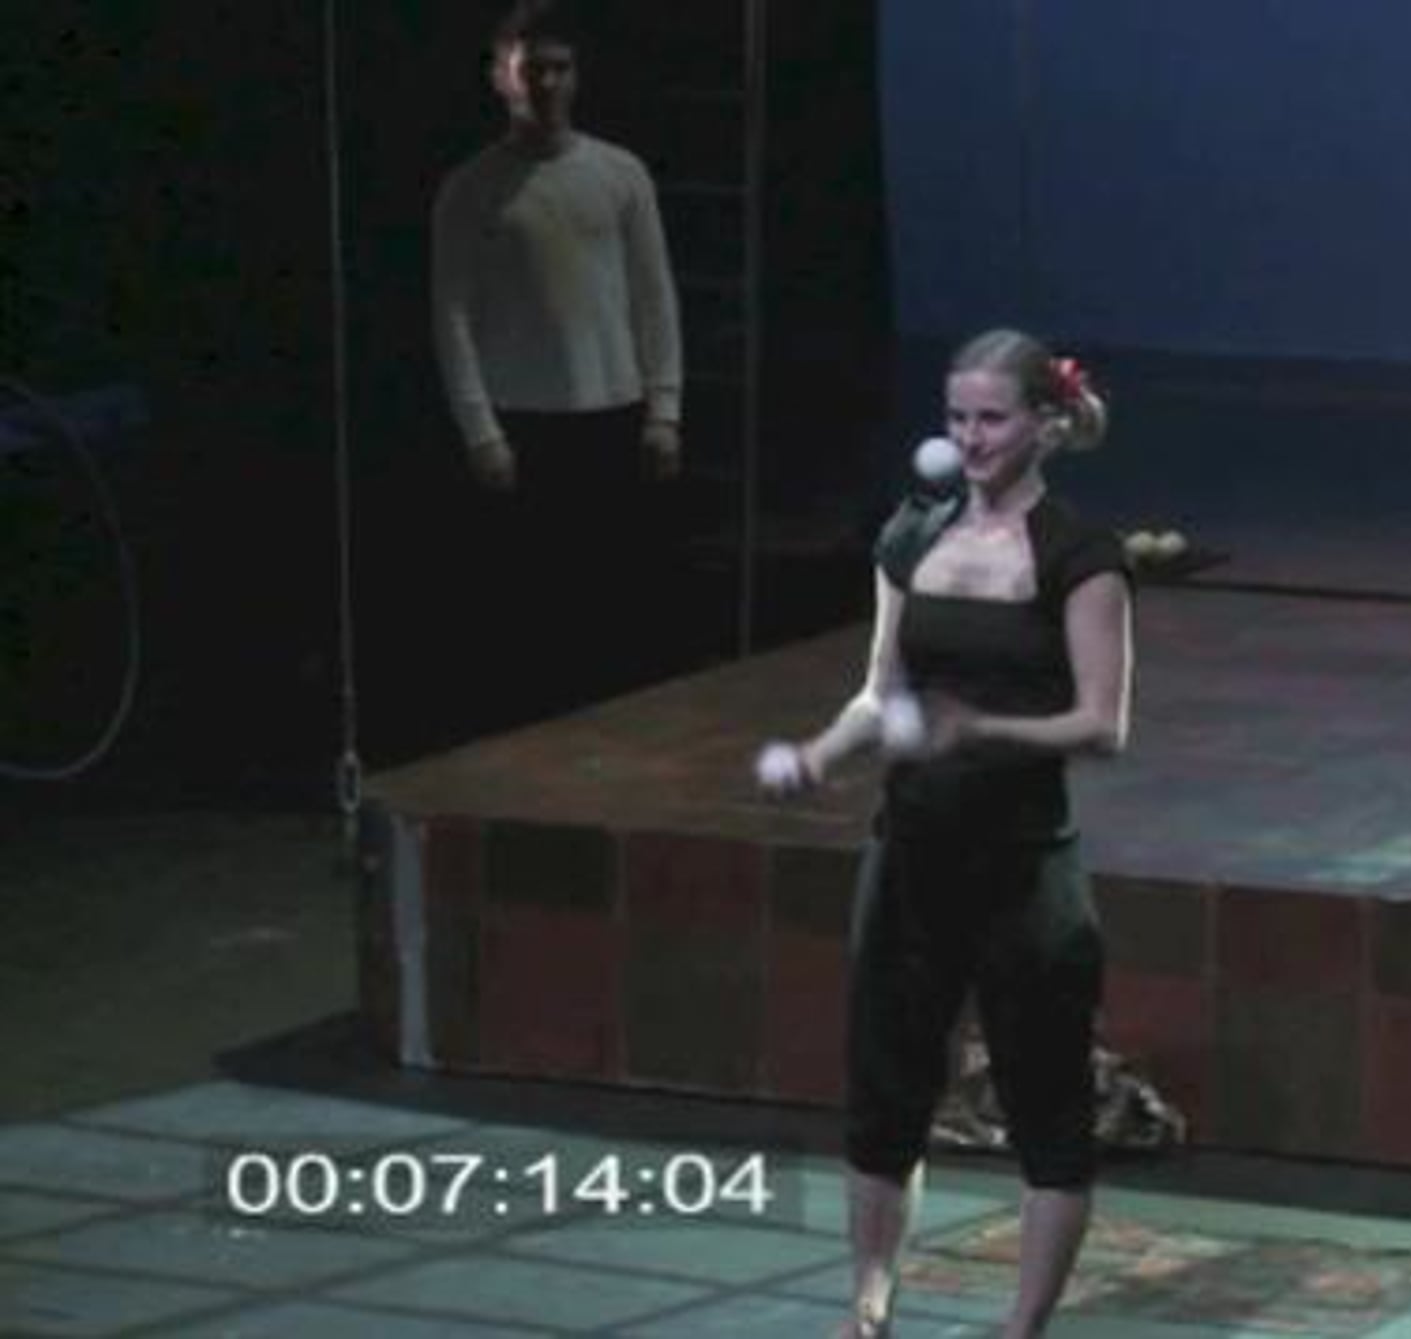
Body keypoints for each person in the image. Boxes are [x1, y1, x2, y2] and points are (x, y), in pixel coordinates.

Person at [758, 329, 1133, 1339]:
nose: (969, 438)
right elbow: (881, 692)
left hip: (1024, 867)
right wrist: (819, 755)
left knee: (1047, 1107)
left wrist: (985, 728)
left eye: (991, 419)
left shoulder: (1080, 556)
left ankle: (1022, 1329)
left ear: (1044, 424)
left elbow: (1103, 724)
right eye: (957, 417)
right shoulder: (912, 535)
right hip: (912, 854)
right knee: (885, 1093)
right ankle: (869, 1307)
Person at [429, 0, 683, 716]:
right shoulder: (470, 189)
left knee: (612, 596)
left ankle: (612, 734)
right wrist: (481, 430)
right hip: (522, 419)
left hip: (612, 411)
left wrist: (664, 411)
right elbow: (451, 315)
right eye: (531, 69)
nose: (546, 83)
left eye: (559, 68)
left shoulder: (621, 173)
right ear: (502, 77)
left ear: (576, 75)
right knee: (528, 605)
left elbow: (654, 296)